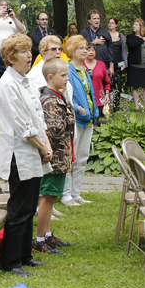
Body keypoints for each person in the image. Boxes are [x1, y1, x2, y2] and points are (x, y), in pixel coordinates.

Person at [0, 33, 52, 277]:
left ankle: (25, 255)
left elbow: (38, 118)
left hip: (33, 152)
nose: (30, 55)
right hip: (19, 154)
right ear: (10, 57)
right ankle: (10, 261)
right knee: (18, 208)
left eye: (30, 50)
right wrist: (42, 147)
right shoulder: (7, 84)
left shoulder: (25, 80)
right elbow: (22, 127)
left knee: (30, 207)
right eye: (23, 52)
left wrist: (45, 143)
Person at [33, 58, 75, 254]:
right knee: (48, 196)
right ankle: (40, 239)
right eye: (63, 75)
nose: (67, 79)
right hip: (54, 157)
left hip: (61, 156)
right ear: (50, 77)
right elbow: (54, 128)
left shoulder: (58, 96)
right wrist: (71, 116)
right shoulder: (50, 100)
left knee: (52, 196)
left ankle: (48, 234)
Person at [62, 35, 98, 207]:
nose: (86, 51)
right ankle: (66, 195)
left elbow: (89, 94)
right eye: (81, 48)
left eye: (86, 48)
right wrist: (77, 108)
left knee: (82, 157)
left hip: (88, 120)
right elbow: (65, 94)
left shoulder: (83, 69)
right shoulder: (68, 69)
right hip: (75, 119)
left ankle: (76, 194)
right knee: (71, 157)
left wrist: (95, 111)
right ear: (72, 50)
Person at [26, 35, 72, 100]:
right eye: (53, 49)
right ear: (44, 54)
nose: (58, 52)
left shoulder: (60, 68)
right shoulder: (35, 75)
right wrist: (59, 93)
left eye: (60, 49)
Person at [80, 9, 114, 77]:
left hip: (103, 65)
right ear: (89, 20)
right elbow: (80, 47)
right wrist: (94, 42)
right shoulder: (84, 33)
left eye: (98, 18)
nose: (97, 21)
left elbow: (110, 49)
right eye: (94, 18)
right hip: (86, 66)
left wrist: (111, 65)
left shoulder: (105, 33)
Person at [84, 43, 111, 117]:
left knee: (99, 121)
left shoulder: (101, 64)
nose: (91, 52)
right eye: (89, 50)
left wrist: (107, 94)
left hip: (99, 98)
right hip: (85, 98)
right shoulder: (81, 64)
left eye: (93, 50)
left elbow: (107, 81)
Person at [126, 18, 145, 112]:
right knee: (135, 86)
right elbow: (131, 45)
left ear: (141, 27)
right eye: (133, 25)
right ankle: (137, 106)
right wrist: (142, 40)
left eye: (136, 25)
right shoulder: (130, 37)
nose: (134, 26)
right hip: (134, 65)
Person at [108, 17, 128, 111]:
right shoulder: (106, 35)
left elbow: (124, 50)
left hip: (119, 61)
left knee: (118, 83)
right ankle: (108, 105)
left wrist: (125, 63)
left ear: (116, 25)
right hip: (109, 62)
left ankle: (117, 105)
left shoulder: (121, 36)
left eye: (112, 23)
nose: (110, 24)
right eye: (109, 23)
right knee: (110, 83)